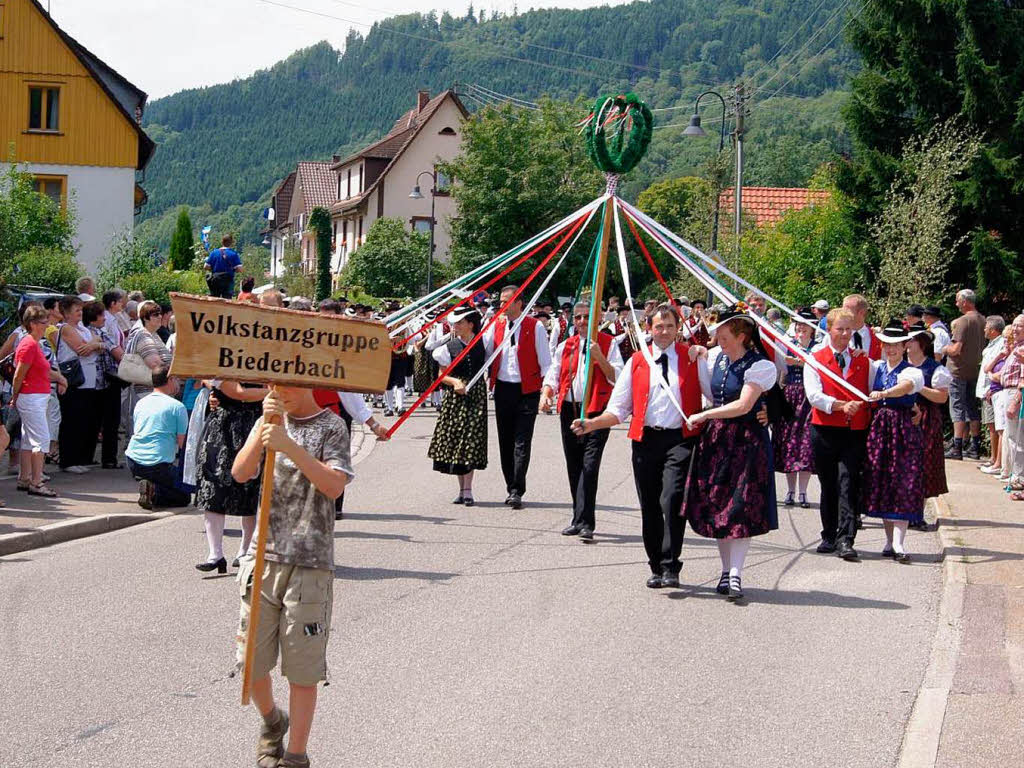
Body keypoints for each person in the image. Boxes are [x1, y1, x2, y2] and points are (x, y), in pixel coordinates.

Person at [231, 387, 352, 768]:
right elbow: (240, 473)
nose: (276, 391)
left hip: (309, 562)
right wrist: (264, 432)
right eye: (271, 384)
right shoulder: (267, 419)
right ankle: (271, 721)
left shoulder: (331, 426)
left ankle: (296, 755)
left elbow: (333, 486)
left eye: (284, 384)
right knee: (250, 662)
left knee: (302, 671)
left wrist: (288, 445)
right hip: (262, 557)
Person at [572, 304, 704, 589]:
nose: (665, 331)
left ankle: (671, 565)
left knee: (671, 499)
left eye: (670, 326)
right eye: (659, 326)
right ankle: (656, 565)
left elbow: (715, 390)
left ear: (678, 328)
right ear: (649, 329)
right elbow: (618, 409)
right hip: (645, 441)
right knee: (650, 505)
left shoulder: (692, 357)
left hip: (680, 440)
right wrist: (591, 424)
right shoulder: (636, 361)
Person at [684, 305, 779, 600]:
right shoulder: (718, 360)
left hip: (746, 442)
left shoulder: (760, 365)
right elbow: (713, 393)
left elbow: (743, 405)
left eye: (724, 337)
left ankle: (736, 573)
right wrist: (699, 358)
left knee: (741, 507)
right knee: (720, 508)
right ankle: (726, 571)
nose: (718, 342)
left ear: (741, 335)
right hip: (718, 441)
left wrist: (705, 416)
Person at [541, 302, 623, 540]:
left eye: (587, 317)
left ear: (597, 318)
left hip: (597, 412)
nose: (582, 321)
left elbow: (616, 377)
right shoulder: (566, 345)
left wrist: (600, 358)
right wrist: (546, 393)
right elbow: (554, 374)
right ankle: (577, 518)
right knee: (574, 464)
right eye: (577, 317)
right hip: (570, 409)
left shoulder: (608, 344)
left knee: (589, 465)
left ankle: (587, 522)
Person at [803, 307, 870, 561]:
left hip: (853, 431)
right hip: (824, 430)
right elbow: (814, 396)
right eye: (839, 329)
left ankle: (846, 538)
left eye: (848, 329)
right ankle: (828, 534)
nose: (844, 334)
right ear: (829, 329)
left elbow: (878, 388)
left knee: (848, 482)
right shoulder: (814, 358)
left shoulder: (863, 360)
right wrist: (841, 405)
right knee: (828, 483)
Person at [862, 321, 926, 563]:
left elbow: (905, 388)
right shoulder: (876, 367)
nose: (891, 350)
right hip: (880, 429)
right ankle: (889, 542)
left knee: (903, 481)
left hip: (903, 431)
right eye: (887, 345)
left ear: (904, 345)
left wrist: (885, 394)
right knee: (884, 481)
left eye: (896, 345)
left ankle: (899, 543)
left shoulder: (911, 371)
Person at [484, 285, 551, 509]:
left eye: (506, 301)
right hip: (503, 389)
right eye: (501, 301)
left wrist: (546, 392)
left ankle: (517, 489)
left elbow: (546, 363)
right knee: (505, 440)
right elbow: (484, 353)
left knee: (522, 441)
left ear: (519, 302)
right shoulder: (496, 325)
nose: (501, 305)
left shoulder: (535, 327)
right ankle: (510, 484)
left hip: (527, 391)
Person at [195, 379, 269, 572]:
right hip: (224, 428)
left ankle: (245, 551)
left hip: (254, 423)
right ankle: (215, 554)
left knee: (251, 489)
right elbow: (239, 392)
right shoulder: (224, 360)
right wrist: (271, 392)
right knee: (213, 486)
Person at [428, 306, 490, 505]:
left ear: (470, 324)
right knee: (458, 441)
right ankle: (462, 488)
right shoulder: (448, 347)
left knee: (471, 439)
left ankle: (468, 489)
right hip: (456, 397)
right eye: (455, 323)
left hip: (476, 394)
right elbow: (441, 375)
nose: (455, 326)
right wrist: (455, 382)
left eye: (459, 323)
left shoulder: (484, 343)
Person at [10, 306, 68, 497]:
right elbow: (19, 374)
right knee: (41, 439)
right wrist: (14, 395)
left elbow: (41, 370)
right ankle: (36, 481)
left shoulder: (32, 343)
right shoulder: (29, 344)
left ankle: (25, 478)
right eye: (44, 322)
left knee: (29, 440)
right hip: (32, 397)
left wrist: (59, 377)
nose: (47, 325)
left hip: (34, 396)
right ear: (33, 324)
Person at [125, 368, 191, 510]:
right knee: (184, 496)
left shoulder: (141, 403)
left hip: (133, 460)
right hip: (158, 464)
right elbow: (183, 444)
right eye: (176, 379)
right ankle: (154, 490)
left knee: (168, 479)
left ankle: (149, 485)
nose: (178, 383)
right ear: (170, 380)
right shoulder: (177, 407)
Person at [906, 322, 951, 528]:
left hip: (926, 419)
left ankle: (917, 513)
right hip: (902, 417)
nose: (907, 342)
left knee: (923, 464)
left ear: (921, 344)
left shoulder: (935, 368)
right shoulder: (900, 364)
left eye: (911, 339)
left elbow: (942, 398)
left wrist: (919, 386)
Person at [55, 296, 105, 473]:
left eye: (81, 310)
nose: (80, 313)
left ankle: (79, 457)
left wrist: (94, 344)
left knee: (83, 419)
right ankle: (68, 460)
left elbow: (99, 343)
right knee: (71, 420)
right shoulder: (66, 328)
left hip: (88, 380)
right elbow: (81, 349)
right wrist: (95, 344)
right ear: (67, 313)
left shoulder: (82, 327)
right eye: (77, 310)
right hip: (74, 379)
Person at [774, 309, 818, 507]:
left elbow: (818, 368)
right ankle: (790, 491)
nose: (800, 328)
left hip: (809, 396)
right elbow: (782, 367)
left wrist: (801, 362)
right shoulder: (787, 345)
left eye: (804, 325)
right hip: (791, 395)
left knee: (806, 443)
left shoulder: (817, 347)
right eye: (798, 324)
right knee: (790, 442)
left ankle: (803, 492)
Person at [944, 289, 987, 460]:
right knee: (971, 407)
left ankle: (957, 447)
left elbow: (956, 349)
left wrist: (945, 348)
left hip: (958, 371)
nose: (956, 304)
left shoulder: (963, 321)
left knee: (957, 408)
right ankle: (975, 446)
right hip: (974, 371)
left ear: (964, 301)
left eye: (957, 300)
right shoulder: (983, 320)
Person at [82, 300, 124, 467]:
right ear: (94, 317)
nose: (104, 318)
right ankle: (109, 459)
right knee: (111, 422)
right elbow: (118, 353)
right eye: (101, 315)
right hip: (109, 381)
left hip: (93, 382)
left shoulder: (84, 332)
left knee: (93, 421)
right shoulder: (102, 333)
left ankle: (87, 456)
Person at [124, 301, 173, 439]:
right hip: (146, 391)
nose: (159, 317)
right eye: (155, 315)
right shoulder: (144, 335)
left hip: (151, 391)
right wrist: (174, 371)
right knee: (149, 432)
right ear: (145, 318)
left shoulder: (153, 334)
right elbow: (154, 363)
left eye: (160, 314)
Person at [977, 316, 1006, 474]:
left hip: (992, 389)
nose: (984, 329)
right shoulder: (992, 344)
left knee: (994, 425)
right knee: (990, 424)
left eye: (986, 327)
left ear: (994, 330)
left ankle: (996, 460)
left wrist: (990, 387)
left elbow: (994, 368)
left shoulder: (1001, 343)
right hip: (987, 389)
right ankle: (993, 458)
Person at [841, 294, 881, 359]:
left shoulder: (876, 338)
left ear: (861, 313)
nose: (842, 314)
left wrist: (867, 360)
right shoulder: (834, 336)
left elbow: (883, 365)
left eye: (847, 311)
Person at [205, 234, 243, 299]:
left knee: (214, 299)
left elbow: (206, 266)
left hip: (215, 279)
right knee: (227, 300)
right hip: (228, 281)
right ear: (231, 243)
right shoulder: (233, 254)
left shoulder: (214, 252)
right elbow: (240, 269)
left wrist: (214, 268)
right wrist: (234, 269)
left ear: (222, 242)